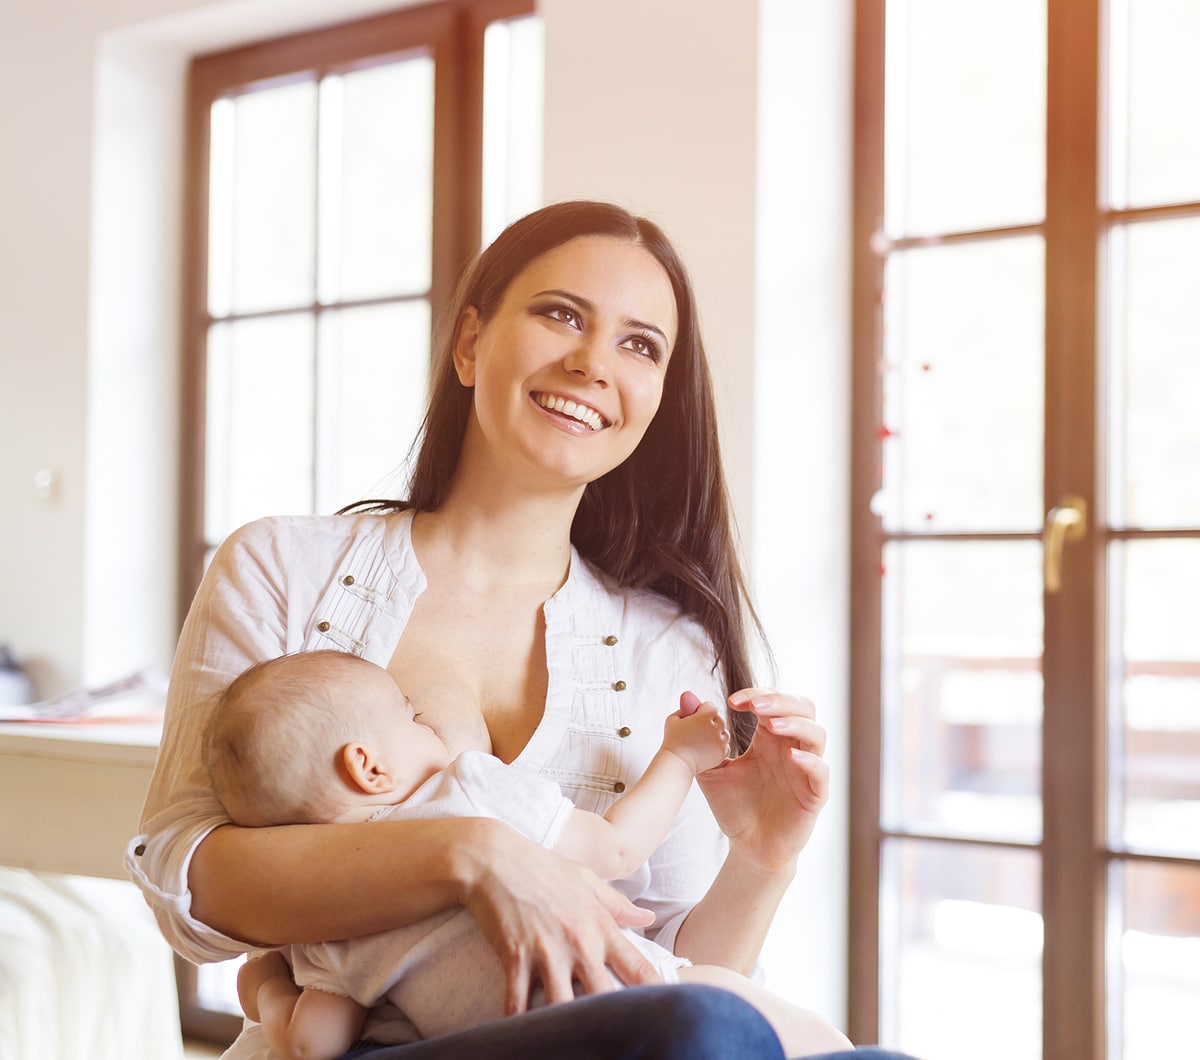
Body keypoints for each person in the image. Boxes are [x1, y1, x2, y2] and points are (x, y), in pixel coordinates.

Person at [128, 200, 908, 1059]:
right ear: (469, 343)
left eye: (639, 344)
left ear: (658, 397)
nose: (592, 363)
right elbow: (187, 879)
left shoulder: (670, 647)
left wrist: (762, 859)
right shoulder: (281, 566)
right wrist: (473, 853)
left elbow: (667, 989)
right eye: (561, 314)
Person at [208, 650, 852, 1060]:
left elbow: (312, 1046)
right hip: (639, 1002)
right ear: (368, 767)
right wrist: (679, 757)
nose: (427, 725)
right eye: (409, 717)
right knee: (826, 1046)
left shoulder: (321, 929)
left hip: (532, 1048)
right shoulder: (462, 788)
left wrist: (264, 984)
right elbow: (613, 846)